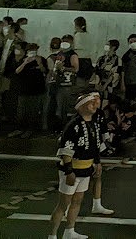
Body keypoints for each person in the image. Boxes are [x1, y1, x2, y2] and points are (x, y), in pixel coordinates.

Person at [50, 91, 106, 239]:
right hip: (73, 169)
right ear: (82, 106)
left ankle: (69, 231)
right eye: (91, 103)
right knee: (63, 204)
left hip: (86, 168)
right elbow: (66, 151)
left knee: (77, 200)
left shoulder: (93, 123)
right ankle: (53, 234)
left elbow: (95, 146)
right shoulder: (73, 126)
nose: (94, 105)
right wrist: (69, 171)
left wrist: (97, 162)